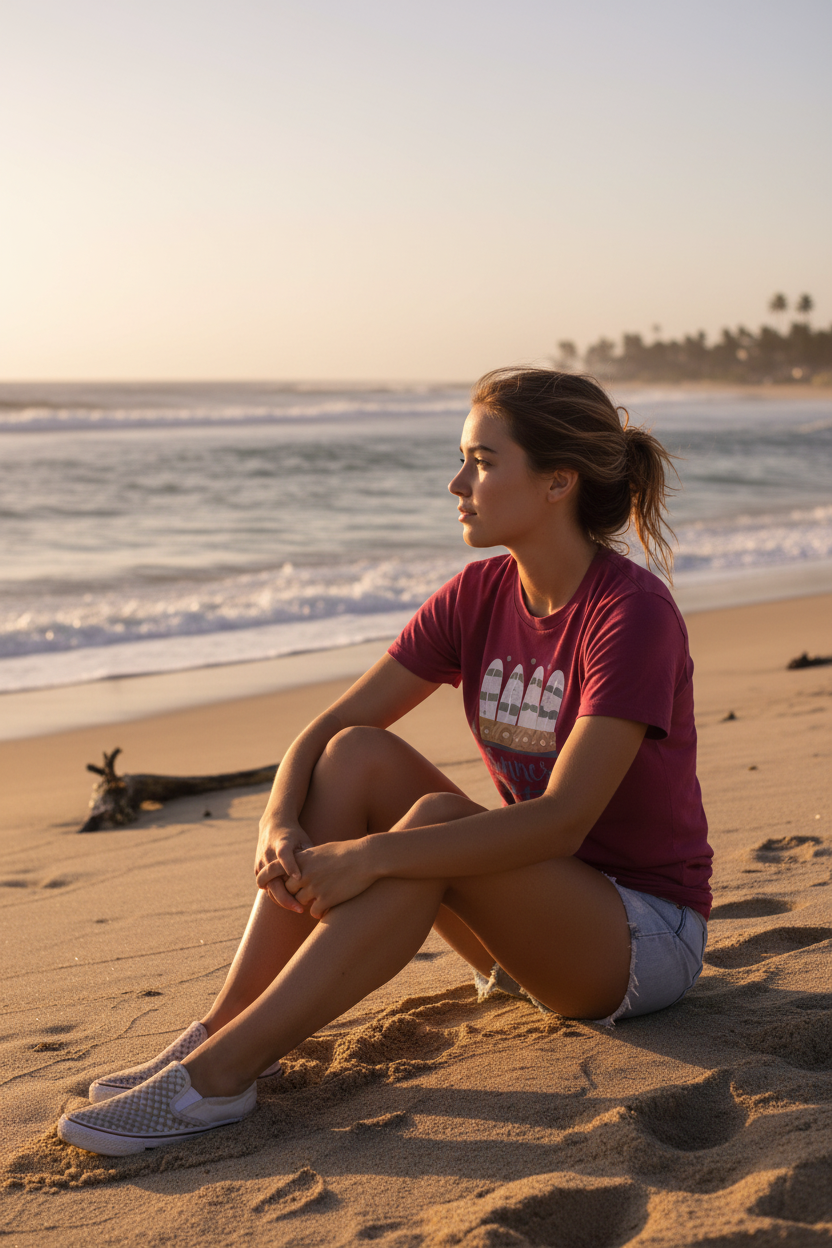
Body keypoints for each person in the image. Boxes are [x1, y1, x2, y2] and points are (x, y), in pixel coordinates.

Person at [58, 367, 712, 1157]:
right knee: (357, 756)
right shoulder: (478, 595)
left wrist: (368, 857)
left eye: (482, 461)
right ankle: (218, 1029)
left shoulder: (629, 615)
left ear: (556, 484)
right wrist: (278, 822)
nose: (456, 482)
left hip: (642, 938)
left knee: (427, 823)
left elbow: (563, 821)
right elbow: (333, 725)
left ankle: (217, 1081)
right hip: (528, 926)